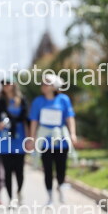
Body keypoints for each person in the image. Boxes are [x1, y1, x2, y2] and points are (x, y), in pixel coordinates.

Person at [29, 74, 77, 205]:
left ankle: (61, 187)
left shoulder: (63, 99)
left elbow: (69, 117)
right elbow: (34, 120)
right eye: (43, 83)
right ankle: (49, 196)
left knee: (61, 168)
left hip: (61, 139)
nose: (44, 85)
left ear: (54, 86)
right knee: (47, 169)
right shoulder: (38, 101)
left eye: (47, 83)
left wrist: (72, 133)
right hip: (45, 141)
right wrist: (32, 138)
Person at [0, 78, 29, 206]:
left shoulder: (22, 100)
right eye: (3, 84)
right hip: (4, 140)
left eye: (8, 83)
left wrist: (29, 139)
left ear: (13, 85)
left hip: (19, 138)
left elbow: (27, 121)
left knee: (19, 170)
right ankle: (11, 198)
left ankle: (19, 191)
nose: (6, 86)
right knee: (7, 171)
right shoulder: (0, 102)